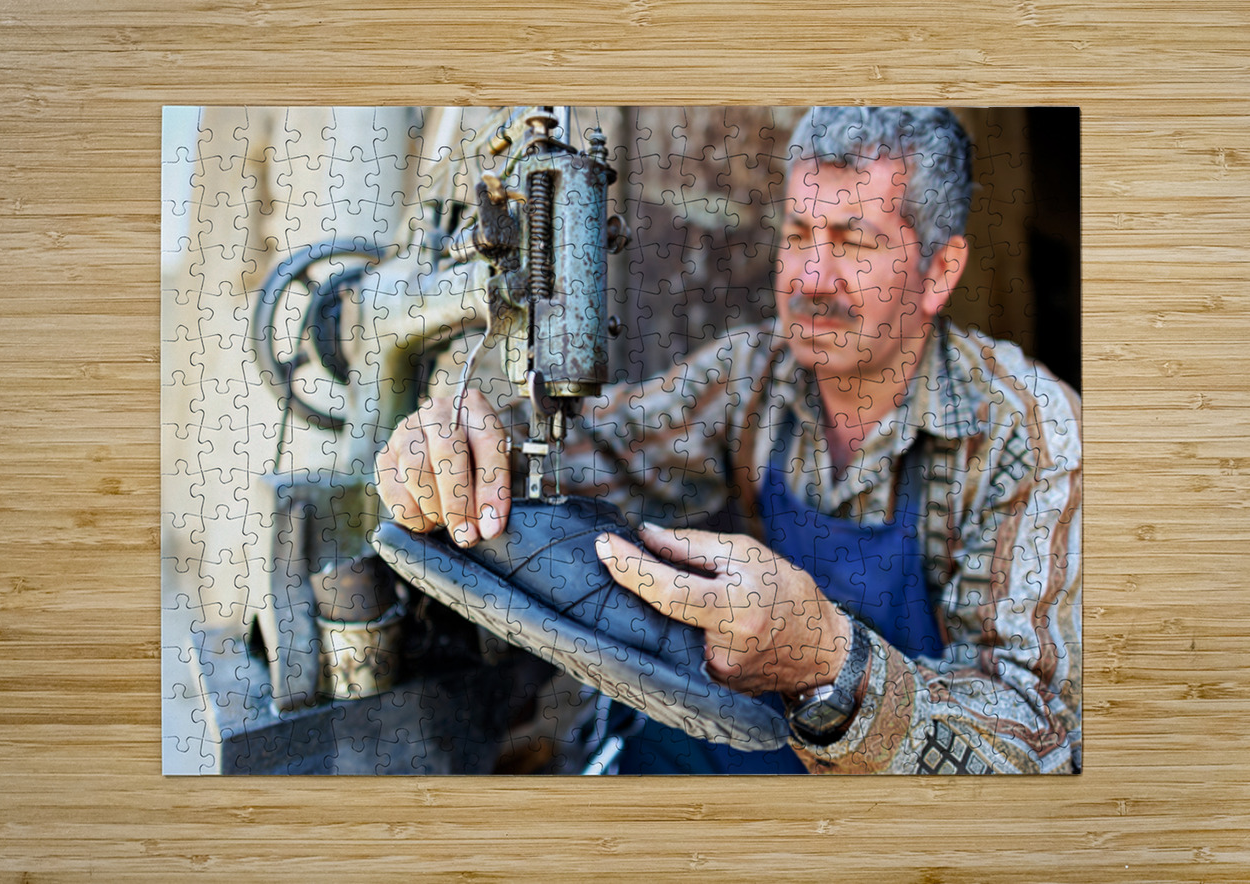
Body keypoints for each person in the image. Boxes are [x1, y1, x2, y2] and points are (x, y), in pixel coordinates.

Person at [376, 107, 1082, 775]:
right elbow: (590, 457)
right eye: (799, 235)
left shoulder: (1031, 436)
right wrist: (465, 451)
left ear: (939, 272)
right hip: (770, 751)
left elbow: (1041, 738)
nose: (810, 278)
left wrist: (826, 663)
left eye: (854, 242)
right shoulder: (754, 376)